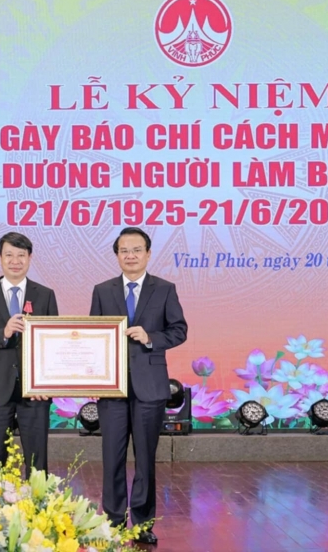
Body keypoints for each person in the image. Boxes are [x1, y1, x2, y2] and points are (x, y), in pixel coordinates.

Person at [89, 227, 187, 545]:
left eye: (136, 250)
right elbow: (94, 338)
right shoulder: (102, 290)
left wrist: (150, 337)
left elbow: (179, 330)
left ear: (148, 253)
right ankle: (114, 521)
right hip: (112, 388)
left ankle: (143, 523)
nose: (130, 256)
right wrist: (94, 377)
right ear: (117, 255)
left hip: (150, 386)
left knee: (145, 459)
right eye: (124, 250)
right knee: (112, 458)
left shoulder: (165, 289)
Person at [0, 232, 58, 476]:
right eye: (9, 255)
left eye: (21, 255)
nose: (15, 261)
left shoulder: (45, 294)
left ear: (30, 258)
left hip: (35, 392)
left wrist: (45, 384)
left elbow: (53, 344)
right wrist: (2, 333)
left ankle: (38, 500)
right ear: (0, 258)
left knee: (37, 464)